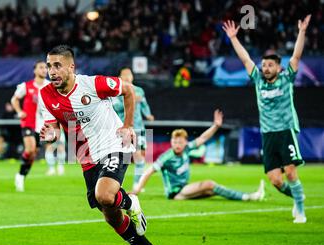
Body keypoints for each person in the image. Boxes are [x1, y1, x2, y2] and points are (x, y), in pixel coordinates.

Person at [39, 45, 164, 245]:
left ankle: (130, 202)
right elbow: (54, 128)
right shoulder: (46, 94)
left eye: (57, 65)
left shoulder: (92, 84)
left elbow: (129, 91)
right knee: (110, 215)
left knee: (105, 195)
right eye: (49, 66)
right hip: (86, 157)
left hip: (115, 144)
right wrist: (51, 134)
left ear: (71, 67)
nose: (52, 71)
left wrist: (127, 126)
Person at [222, 16, 311, 223]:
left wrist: (302, 32)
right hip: (267, 133)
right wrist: (234, 38)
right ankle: (297, 196)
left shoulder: (286, 78)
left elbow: (296, 57)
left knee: (290, 172)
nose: (265, 68)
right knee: (275, 180)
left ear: (278, 67)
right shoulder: (258, 80)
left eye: (270, 65)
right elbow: (245, 60)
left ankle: (300, 209)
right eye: (264, 65)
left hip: (286, 130)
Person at [133, 110, 265, 201]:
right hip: (175, 192)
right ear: (171, 142)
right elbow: (149, 170)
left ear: (185, 142)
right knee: (209, 184)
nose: (177, 144)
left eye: (180, 142)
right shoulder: (167, 156)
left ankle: (247, 196)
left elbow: (202, 138)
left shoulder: (186, 149)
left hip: (184, 190)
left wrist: (215, 126)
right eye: (174, 141)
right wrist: (138, 188)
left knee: (213, 190)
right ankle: (248, 197)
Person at [112, 67, 155, 190]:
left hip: (138, 127)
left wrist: (148, 114)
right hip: (123, 129)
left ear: (132, 77)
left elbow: (144, 104)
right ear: (120, 77)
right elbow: (116, 108)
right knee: (121, 158)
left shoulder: (139, 91)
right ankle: (117, 184)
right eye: (124, 74)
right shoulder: (117, 91)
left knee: (139, 156)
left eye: (129, 74)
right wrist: (130, 99)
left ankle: (137, 184)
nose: (127, 77)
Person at [11, 60, 50, 191]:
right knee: (30, 149)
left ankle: (21, 175)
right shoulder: (26, 86)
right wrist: (19, 111)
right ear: (35, 70)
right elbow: (14, 99)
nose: (44, 70)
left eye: (46, 67)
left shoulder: (50, 86)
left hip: (42, 125)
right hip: (28, 122)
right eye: (41, 67)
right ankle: (20, 177)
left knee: (33, 154)